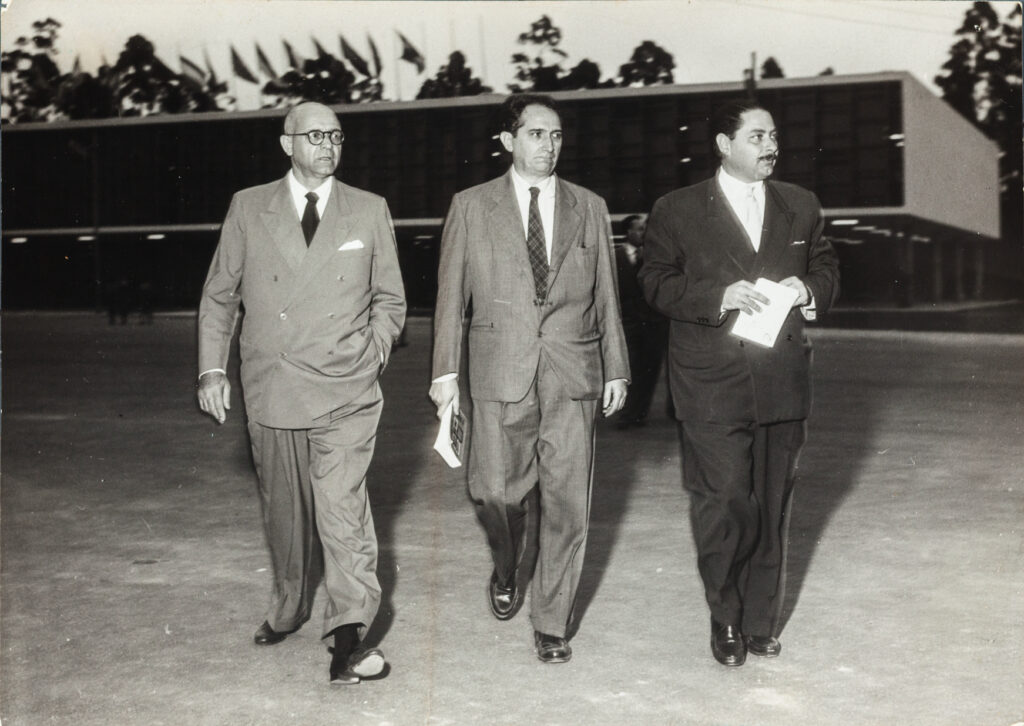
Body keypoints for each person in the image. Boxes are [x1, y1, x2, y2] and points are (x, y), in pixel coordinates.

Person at [196, 101, 406, 685]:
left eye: (336, 135)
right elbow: (220, 296)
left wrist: (377, 349)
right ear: (286, 143)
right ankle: (289, 603)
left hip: (347, 386)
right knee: (285, 512)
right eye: (315, 135)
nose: (328, 145)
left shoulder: (368, 210)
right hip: (274, 385)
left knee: (343, 508)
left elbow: (390, 298)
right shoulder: (248, 206)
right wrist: (212, 370)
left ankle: (349, 633)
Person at [429, 93, 629, 664]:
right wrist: (446, 371)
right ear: (508, 140)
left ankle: (552, 621)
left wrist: (617, 366)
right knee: (494, 492)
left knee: (568, 503)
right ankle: (506, 563)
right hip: (499, 371)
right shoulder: (471, 206)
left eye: (557, 135)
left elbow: (607, 296)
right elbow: (451, 298)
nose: (549, 145)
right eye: (537, 134)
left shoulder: (589, 206)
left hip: (573, 372)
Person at [638, 100, 839, 667]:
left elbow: (828, 270)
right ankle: (723, 615)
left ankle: (758, 622)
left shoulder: (800, 206)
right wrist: (715, 298)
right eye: (756, 137)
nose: (770, 145)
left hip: (782, 380)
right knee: (725, 502)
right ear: (724, 146)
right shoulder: (677, 209)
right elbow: (654, 281)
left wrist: (808, 290)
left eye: (773, 135)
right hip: (709, 382)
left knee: (772, 506)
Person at [614, 214, 667, 428]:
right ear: (627, 232)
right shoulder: (614, 257)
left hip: (653, 325)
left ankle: (638, 413)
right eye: (638, 230)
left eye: (644, 230)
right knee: (630, 370)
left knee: (649, 370)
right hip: (627, 324)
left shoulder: (653, 258)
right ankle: (626, 412)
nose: (643, 234)